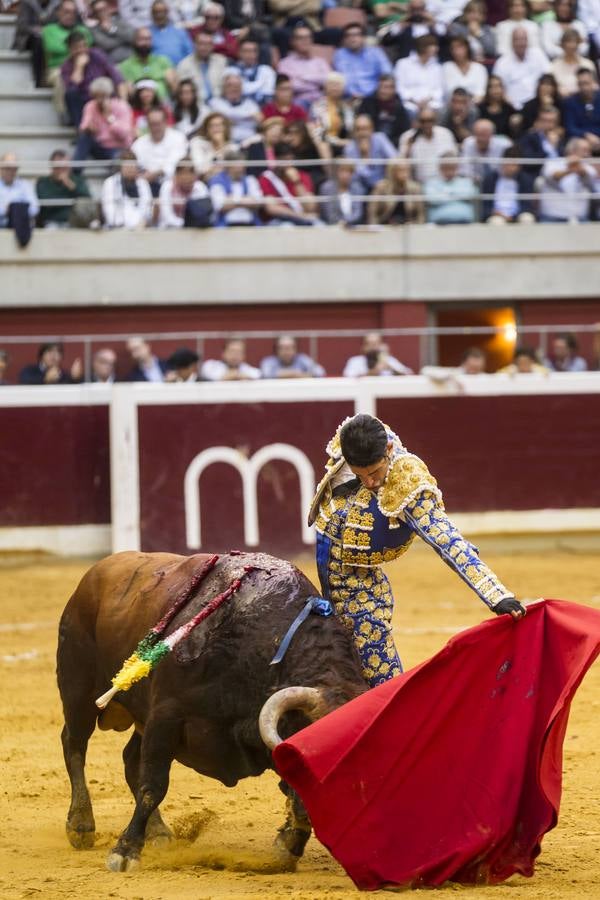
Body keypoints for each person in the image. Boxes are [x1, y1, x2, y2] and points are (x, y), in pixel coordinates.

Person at [308, 414, 525, 686]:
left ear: (388, 450)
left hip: (357, 584)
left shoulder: (406, 482)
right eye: (360, 475)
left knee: (378, 674)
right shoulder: (352, 442)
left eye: (374, 473)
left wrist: (495, 595)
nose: (370, 483)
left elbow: (446, 539)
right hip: (332, 573)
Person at [60, 30, 126, 127]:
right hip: (84, 101)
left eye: (84, 46)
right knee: (70, 94)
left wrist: (123, 102)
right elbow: (72, 89)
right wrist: (79, 67)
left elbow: (117, 77)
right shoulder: (66, 66)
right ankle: (81, 131)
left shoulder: (97, 55)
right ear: (70, 49)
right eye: (77, 48)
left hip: (106, 96)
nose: (81, 50)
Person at [73, 76, 134, 161]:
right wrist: (88, 128)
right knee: (85, 138)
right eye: (96, 96)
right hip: (100, 146)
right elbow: (83, 127)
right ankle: (76, 171)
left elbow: (124, 135)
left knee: (118, 157)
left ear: (109, 95)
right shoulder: (90, 106)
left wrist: (109, 117)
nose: (99, 100)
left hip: (118, 147)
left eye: (102, 97)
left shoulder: (122, 106)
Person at [258, 141, 319, 225]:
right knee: (287, 227)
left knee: (319, 225)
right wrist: (298, 216)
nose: (288, 164)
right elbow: (271, 208)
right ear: (276, 159)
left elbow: (310, 207)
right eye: (284, 160)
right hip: (280, 220)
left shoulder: (303, 176)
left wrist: (297, 182)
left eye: (290, 159)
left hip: (303, 218)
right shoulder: (266, 178)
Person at [132, 106, 188, 195]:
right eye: (152, 124)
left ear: (165, 122)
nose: (155, 127)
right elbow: (135, 165)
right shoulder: (138, 144)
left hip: (173, 185)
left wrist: (156, 173)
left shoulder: (178, 138)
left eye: (158, 123)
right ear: (147, 124)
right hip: (146, 185)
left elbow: (177, 163)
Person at [538, 136, 595, 222]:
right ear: (572, 150)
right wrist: (569, 170)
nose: (588, 154)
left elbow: (590, 177)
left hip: (580, 218)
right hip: (552, 218)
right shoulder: (553, 163)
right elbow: (553, 176)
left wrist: (579, 169)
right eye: (585, 150)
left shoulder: (588, 167)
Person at [492, 27, 551, 111]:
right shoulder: (502, 62)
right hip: (511, 107)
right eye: (517, 40)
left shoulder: (538, 55)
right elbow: (498, 89)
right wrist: (513, 107)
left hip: (538, 105)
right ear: (511, 42)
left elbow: (548, 78)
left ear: (528, 41)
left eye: (524, 39)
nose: (521, 43)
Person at [333, 22, 393, 100]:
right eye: (348, 35)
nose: (352, 38)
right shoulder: (340, 54)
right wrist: (353, 94)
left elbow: (387, 73)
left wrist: (376, 93)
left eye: (356, 35)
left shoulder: (375, 52)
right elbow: (342, 78)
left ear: (363, 37)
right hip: (349, 98)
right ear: (344, 39)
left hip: (374, 97)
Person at [277, 24, 331, 108]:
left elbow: (328, 80)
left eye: (308, 37)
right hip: (298, 100)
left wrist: (305, 77)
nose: (305, 41)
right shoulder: (285, 63)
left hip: (321, 100)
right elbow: (292, 86)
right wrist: (316, 83)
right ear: (293, 41)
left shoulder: (320, 62)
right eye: (300, 38)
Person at [399, 108, 456, 184]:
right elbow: (401, 164)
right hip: (418, 183)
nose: (426, 124)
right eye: (423, 121)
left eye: (430, 120)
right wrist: (409, 148)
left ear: (435, 121)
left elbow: (453, 159)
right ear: (417, 121)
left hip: (444, 182)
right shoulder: (408, 136)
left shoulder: (445, 134)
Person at [36, 149, 92, 227]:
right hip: (51, 221)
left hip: (75, 221)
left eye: (65, 168)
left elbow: (87, 199)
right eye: (58, 168)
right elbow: (46, 201)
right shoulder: (43, 182)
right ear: (52, 167)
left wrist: (71, 186)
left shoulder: (78, 180)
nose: (61, 171)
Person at [119, 26, 176, 102]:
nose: (146, 43)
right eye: (142, 39)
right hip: (140, 105)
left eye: (148, 39)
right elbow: (130, 92)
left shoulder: (163, 61)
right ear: (134, 41)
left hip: (164, 102)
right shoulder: (126, 66)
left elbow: (174, 87)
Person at [481, 145, 536, 222]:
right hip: (496, 215)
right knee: (496, 222)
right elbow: (486, 204)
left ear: (519, 166)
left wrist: (513, 216)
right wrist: (494, 212)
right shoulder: (490, 179)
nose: (510, 167)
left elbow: (527, 205)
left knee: (527, 218)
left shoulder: (525, 180)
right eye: (508, 163)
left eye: (514, 165)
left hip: (517, 214)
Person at [13, 0, 62, 88]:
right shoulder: (27, 3)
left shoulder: (57, 4)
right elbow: (22, 25)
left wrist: (48, 31)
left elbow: (59, 23)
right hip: (28, 38)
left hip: (51, 36)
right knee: (39, 41)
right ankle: (39, 79)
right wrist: (37, 30)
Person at [393, 34, 444, 117]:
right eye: (433, 46)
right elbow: (399, 87)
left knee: (438, 110)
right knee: (408, 110)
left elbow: (439, 89)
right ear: (423, 47)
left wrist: (427, 102)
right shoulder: (402, 64)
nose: (436, 48)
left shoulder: (437, 67)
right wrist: (415, 101)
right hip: (409, 104)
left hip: (431, 104)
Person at [343, 114, 397, 192]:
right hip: (361, 185)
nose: (362, 133)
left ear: (371, 129)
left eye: (365, 129)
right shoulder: (349, 148)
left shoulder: (380, 138)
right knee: (355, 187)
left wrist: (386, 179)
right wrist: (364, 155)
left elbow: (394, 159)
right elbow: (354, 175)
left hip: (384, 182)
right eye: (358, 129)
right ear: (354, 132)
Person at [101, 150, 154, 227]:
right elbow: (109, 210)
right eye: (127, 166)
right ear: (120, 167)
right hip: (117, 228)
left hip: (140, 229)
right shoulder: (110, 183)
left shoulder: (143, 183)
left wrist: (141, 223)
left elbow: (148, 209)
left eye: (133, 165)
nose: (130, 169)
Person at [357, 74, 410, 147]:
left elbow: (404, 132)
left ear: (394, 89)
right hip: (371, 144)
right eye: (382, 87)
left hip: (394, 144)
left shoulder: (399, 106)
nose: (385, 91)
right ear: (378, 88)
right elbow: (360, 125)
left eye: (389, 87)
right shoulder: (367, 103)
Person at [209, 71, 262, 144]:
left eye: (237, 85)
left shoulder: (251, 104)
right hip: (225, 142)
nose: (234, 88)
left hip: (249, 142)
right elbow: (225, 116)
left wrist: (232, 119)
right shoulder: (215, 103)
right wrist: (249, 116)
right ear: (224, 88)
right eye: (229, 85)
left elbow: (258, 120)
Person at [424, 152, 477, 224]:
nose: (449, 172)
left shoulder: (466, 181)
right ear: (440, 168)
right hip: (438, 224)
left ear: (457, 167)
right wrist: (456, 195)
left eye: (452, 168)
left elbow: (470, 195)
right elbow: (432, 199)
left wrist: (444, 194)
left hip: (465, 222)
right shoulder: (431, 183)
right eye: (446, 168)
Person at [159, 157, 212, 227]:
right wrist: (186, 224)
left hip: (195, 230)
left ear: (195, 175)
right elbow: (167, 217)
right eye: (183, 173)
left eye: (190, 173)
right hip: (170, 230)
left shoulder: (200, 187)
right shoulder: (167, 187)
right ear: (176, 175)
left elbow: (205, 213)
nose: (187, 177)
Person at [310, 72, 355, 155]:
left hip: (346, 144)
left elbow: (351, 130)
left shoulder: (347, 108)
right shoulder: (318, 106)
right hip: (325, 144)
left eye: (338, 85)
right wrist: (338, 142)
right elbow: (319, 135)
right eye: (332, 84)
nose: (335, 88)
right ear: (326, 87)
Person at [368, 159, 425, 224]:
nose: (405, 173)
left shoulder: (415, 188)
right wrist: (375, 228)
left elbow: (421, 214)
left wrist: (418, 228)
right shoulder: (381, 188)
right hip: (385, 226)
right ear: (392, 172)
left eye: (407, 170)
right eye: (401, 170)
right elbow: (372, 213)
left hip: (409, 227)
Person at [176, 31, 227, 103]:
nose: (204, 47)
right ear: (194, 45)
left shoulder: (222, 61)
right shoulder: (184, 65)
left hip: (221, 102)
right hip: (196, 105)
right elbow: (184, 92)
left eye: (208, 44)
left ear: (213, 46)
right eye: (201, 44)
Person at [459, 118, 512, 182]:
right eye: (478, 134)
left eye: (484, 135)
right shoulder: (468, 143)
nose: (481, 139)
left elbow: (510, 168)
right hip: (474, 181)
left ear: (492, 134)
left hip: (498, 180)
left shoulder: (504, 145)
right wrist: (473, 178)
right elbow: (465, 168)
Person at [189, 112, 239, 178]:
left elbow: (234, 171)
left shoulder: (233, 147)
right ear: (206, 129)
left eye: (219, 125)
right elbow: (199, 169)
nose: (216, 129)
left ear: (226, 128)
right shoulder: (197, 142)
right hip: (203, 180)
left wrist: (221, 145)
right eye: (212, 126)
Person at [442, 35, 488, 104]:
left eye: (460, 47)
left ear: (467, 48)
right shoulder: (446, 67)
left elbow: (481, 94)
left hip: (474, 106)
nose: (456, 51)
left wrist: (467, 105)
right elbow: (445, 92)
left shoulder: (480, 68)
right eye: (453, 48)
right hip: (451, 106)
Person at [551, 29, 596, 98]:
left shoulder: (588, 64)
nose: (572, 45)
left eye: (575, 42)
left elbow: (594, 86)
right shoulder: (554, 66)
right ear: (562, 45)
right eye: (568, 42)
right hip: (564, 102)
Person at [343, 333, 413, 377]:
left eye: (376, 344)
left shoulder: (389, 360)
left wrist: (391, 368)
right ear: (363, 347)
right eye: (369, 344)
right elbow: (349, 376)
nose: (373, 347)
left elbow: (408, 373)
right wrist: (376, 370)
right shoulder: (355, 361)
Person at [0, 152, 39, 229]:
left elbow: (35, 208)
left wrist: (17, 210)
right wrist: (6, 210)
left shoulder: (25, 185)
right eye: (7, 168)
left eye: (14, 168)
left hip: (20, 226)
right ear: (1, 168)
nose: (11, 171)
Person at [563, 69, 600, 148]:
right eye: (580, 84)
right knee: (582, 145)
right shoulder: (570, 102)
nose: (584, 87)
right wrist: (586, 135)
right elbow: (570, 127)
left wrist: (595, 137)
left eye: (586, 83)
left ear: (594, 82)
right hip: (580, 138)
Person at [233, 38, 275, 105]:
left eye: (253, 51)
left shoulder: (267, 70)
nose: (249, 54)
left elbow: (268, 94)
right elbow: (236, 94)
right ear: (239, 53)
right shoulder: (232, 71)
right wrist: (260, 85)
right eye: (246, 51)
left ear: (257, 53)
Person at [90, 0, 134, 64]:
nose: (102, 13)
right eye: (98, 11)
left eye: (104, 9)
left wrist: (112, 30)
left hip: (131, 59)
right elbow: (106, 45)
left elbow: (132, 37)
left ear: (108, 8)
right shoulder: (94, 30)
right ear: (95, 15)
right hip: (114, 65)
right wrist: (123, 40)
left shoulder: (120, 20)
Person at [149, 0, 193, 65]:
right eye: (156, 12)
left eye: (162, 12)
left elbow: (190, 54)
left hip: (180, 71)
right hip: (156, 72)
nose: (159, 15)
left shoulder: (180, 32)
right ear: (152, 14)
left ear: (167, 13)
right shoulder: (147, 34)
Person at [260, 335, 325, 377]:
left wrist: (283, 375)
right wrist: (295, 374)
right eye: (282, 348)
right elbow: (266, 374)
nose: (286, 352)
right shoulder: (269, 361)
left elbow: (320, 371)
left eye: (289, 348)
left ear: (295, 349)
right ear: (277, 350)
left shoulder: (302, 359)